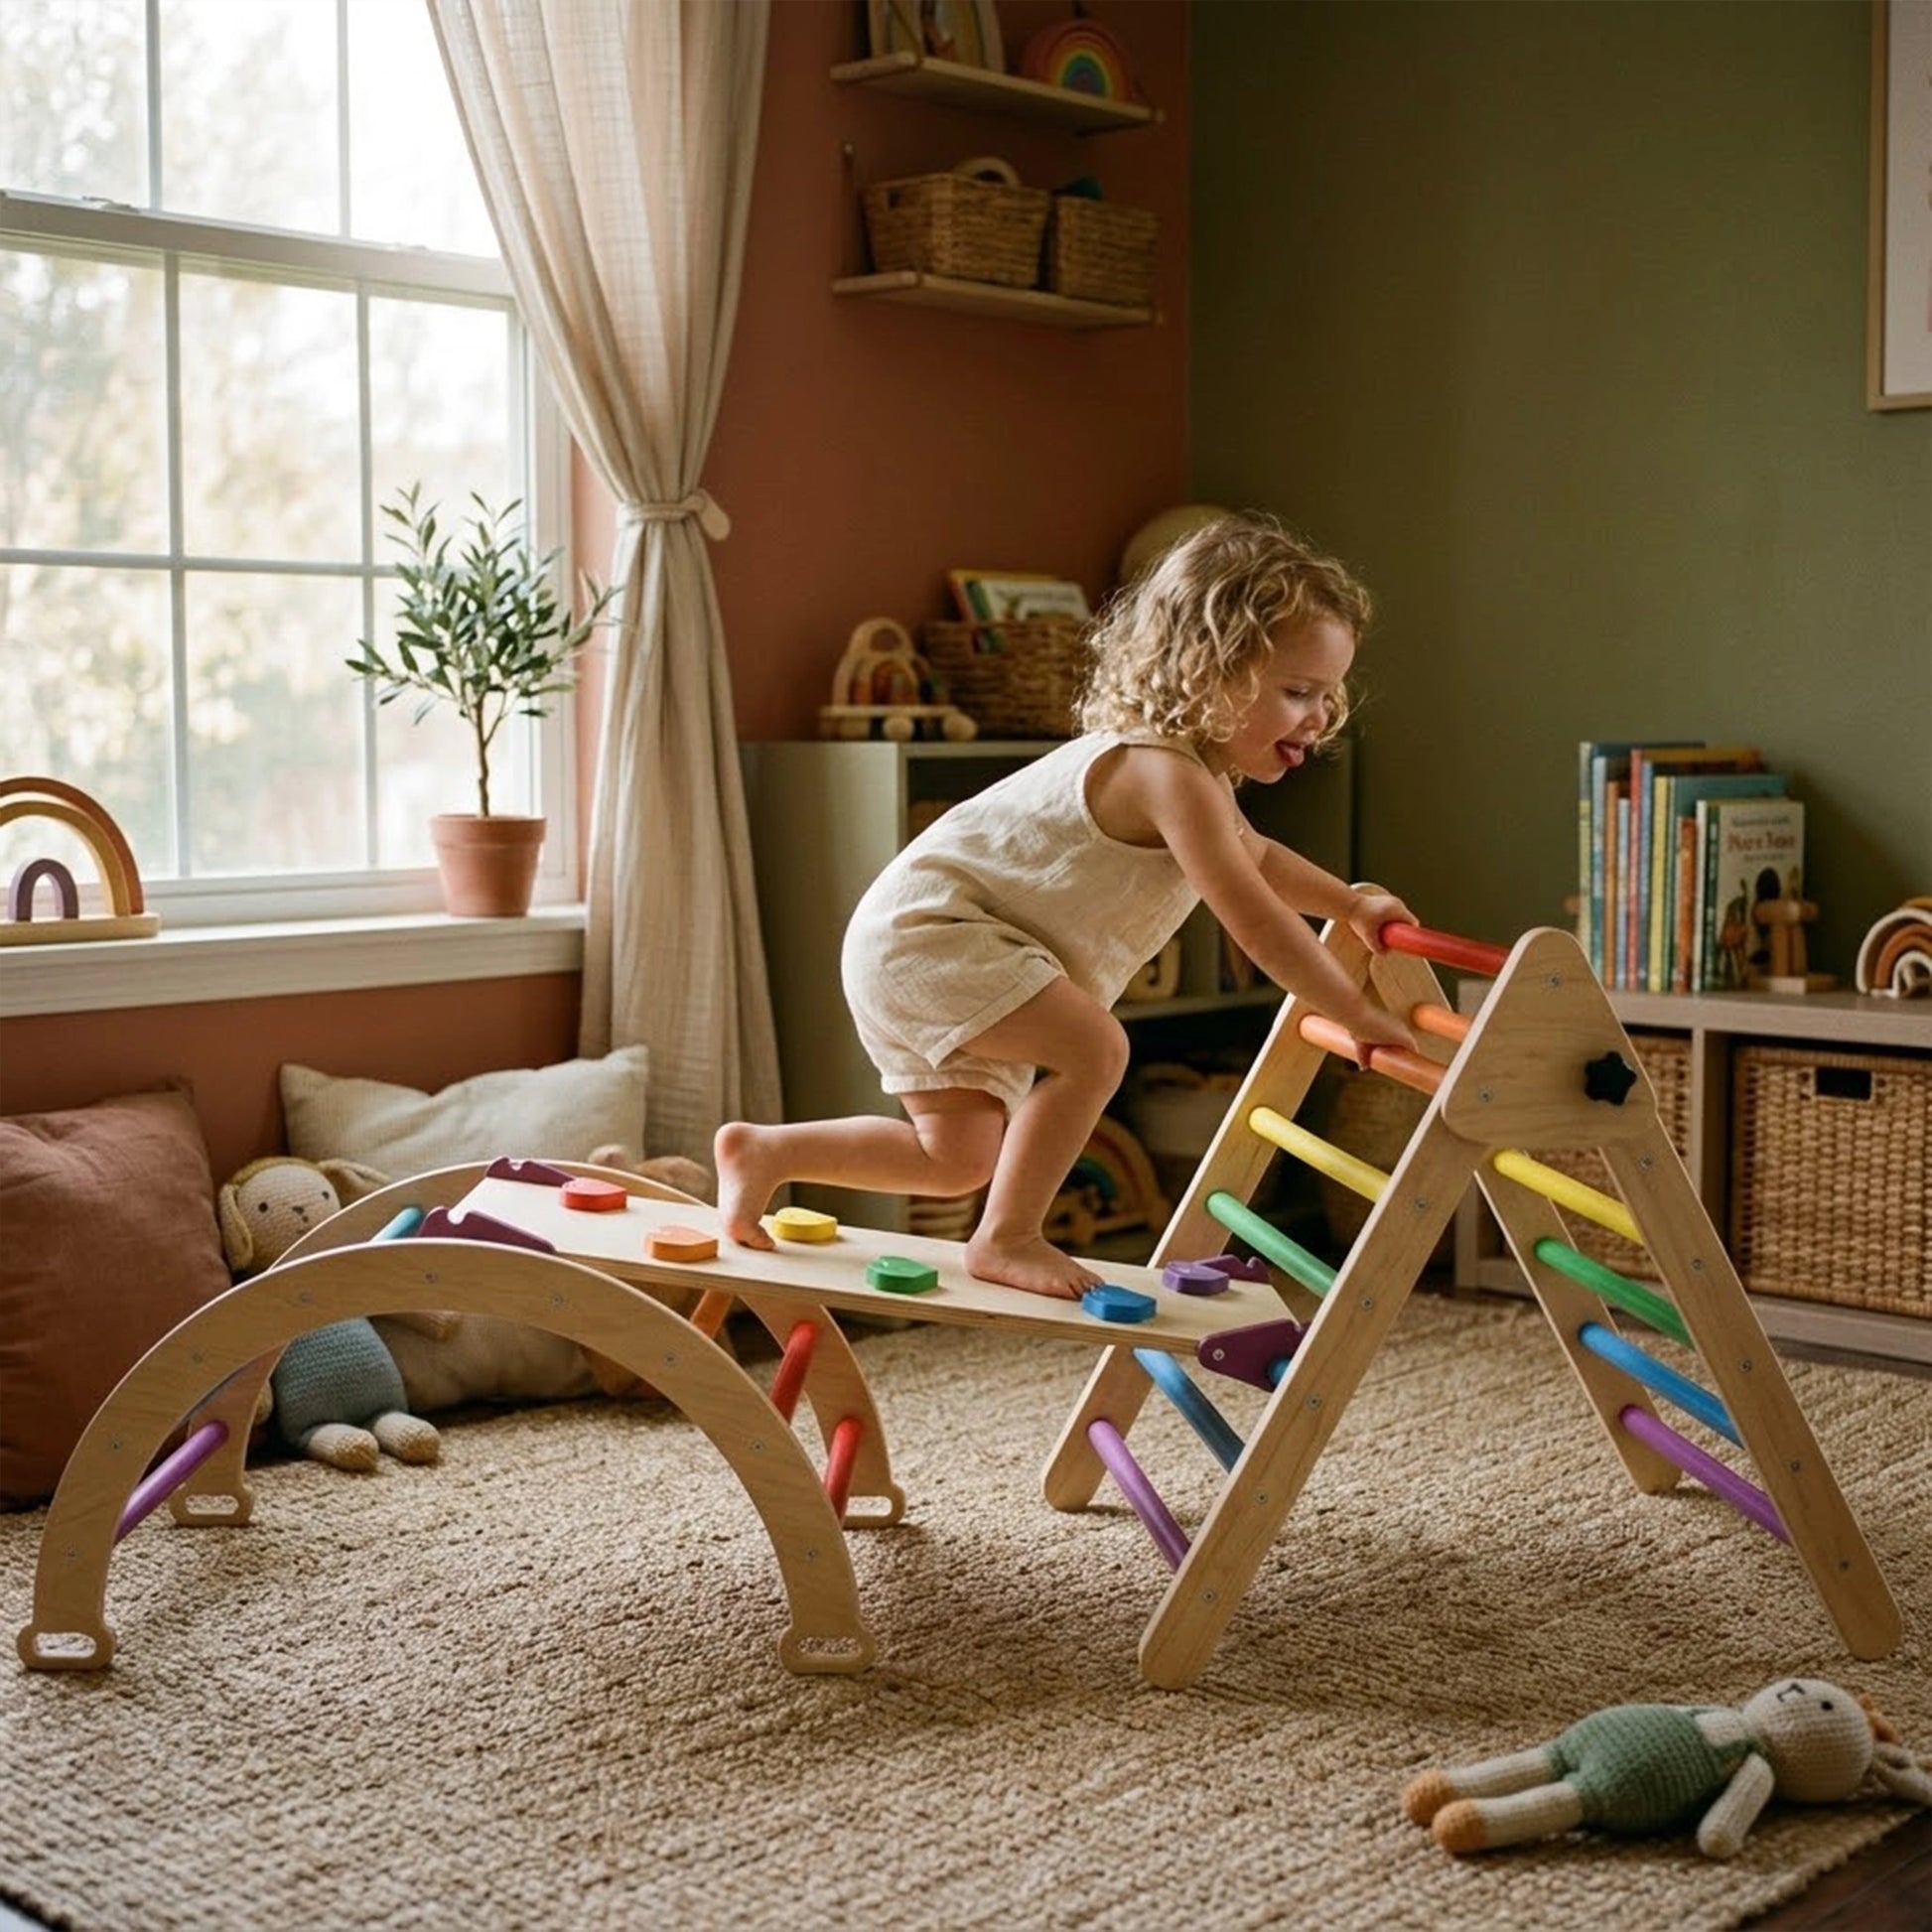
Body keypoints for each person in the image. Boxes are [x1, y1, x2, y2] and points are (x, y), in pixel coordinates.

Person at [716, 514, 1419, 1300]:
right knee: (1098, 1049)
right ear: (1210, 669)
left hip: (925, 949)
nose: (1320, 717)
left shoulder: (1199, 780)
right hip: (935, 939)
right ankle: (1010, 1237)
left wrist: (1347, 902)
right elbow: (1253, 917)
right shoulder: (1163, 772)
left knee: (955, 1163)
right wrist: (1354, 1011)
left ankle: (765, 1153)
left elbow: (1255, 856)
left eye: (1328, 696)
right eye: (1297, 692)